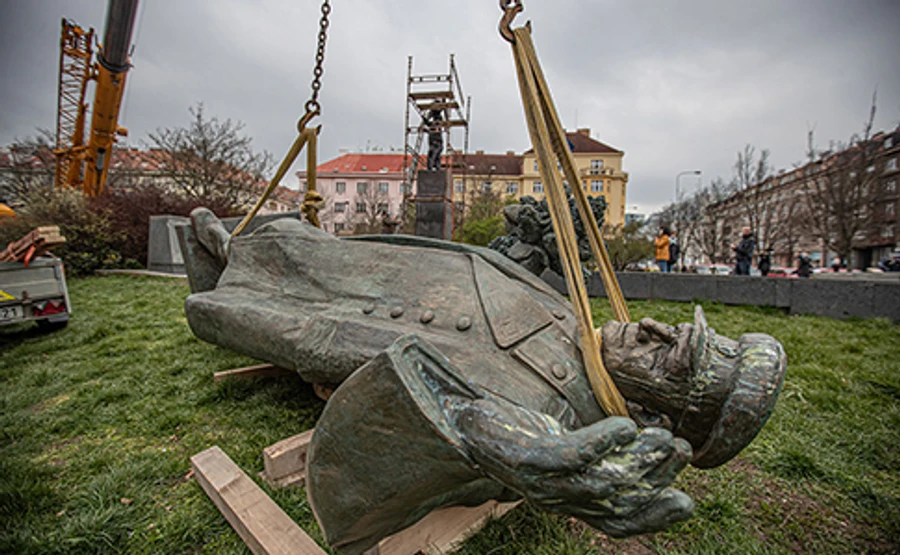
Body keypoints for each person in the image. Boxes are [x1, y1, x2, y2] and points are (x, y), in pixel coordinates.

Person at [182, 209, 786, 554]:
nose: (650, 327)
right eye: (673, 330)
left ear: (657, 415)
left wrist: (480, 437)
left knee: (249, 288)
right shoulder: (582, 331)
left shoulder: (545, 412)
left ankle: (224, 256)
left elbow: (364, 479)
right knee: (287, 244)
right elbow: (492, 278)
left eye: (669, 356)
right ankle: (229, 245)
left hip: (340, 311)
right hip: (362, 266)